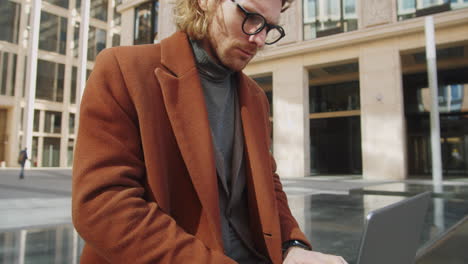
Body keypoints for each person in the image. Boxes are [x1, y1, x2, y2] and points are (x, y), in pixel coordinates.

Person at [72, 0, 348, 263]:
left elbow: (268, 182)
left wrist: (292, 246)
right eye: (250, 17)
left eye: (269, 27)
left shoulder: (255, 97)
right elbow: (103, 206)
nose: (259, 39)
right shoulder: (123, 70)